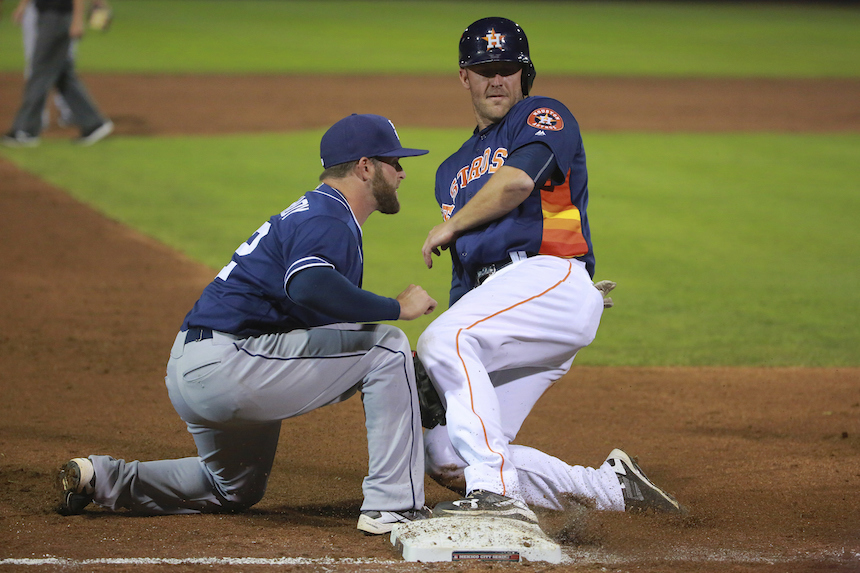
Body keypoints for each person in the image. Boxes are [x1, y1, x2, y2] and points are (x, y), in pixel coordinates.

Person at [56, 113, 438, 535]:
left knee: (233, 487)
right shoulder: (328, 218)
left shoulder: (316, 212)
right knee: (388, 346)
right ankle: (394, 506)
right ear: (365, 166)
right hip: (230, 363)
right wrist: (394, 306)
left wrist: (403, 372)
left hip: (193, 365)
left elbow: (323, 317)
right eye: (394, 162)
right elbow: (309, 285)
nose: (402, 172)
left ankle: (101, 478)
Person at [417, 17, 684, 524]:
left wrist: (446, 228)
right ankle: (611, 489)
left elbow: (516, 183)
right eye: (484, 69)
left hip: (550, 276)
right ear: (464, 77)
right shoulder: (449, 171)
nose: (497, 80)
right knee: (447, 453)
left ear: (524, 75)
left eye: (508, 69)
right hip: (509, 309)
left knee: (440, 342)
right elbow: (466, 277)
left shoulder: (541, 116)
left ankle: (495, 497)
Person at [2, 0, 113, 148]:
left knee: (40, 72)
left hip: (58, 17)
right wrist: (23, 7)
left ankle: (26, 131)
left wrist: (77, 20)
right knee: (62, 74)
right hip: (46, 14)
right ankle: (94, 123)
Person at [14, 0, 75, 130]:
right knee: (37, 63)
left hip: (64, 11)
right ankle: (38, 115)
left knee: (63, 63)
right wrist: (23, 6)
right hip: (38, 9)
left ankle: (69, 111)